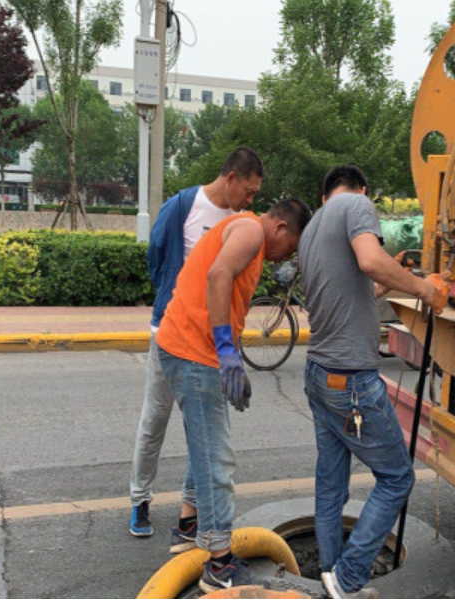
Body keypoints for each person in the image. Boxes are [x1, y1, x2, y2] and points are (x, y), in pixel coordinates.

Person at [298, 165, 449, 599]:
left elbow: (353, 288)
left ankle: (330, 573)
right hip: (350, 380)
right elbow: (369, 261)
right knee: (397, 477)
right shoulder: (357, 204)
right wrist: (423, 288)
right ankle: (348, 578)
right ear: (362, 189)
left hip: (319, 372)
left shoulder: (313, 228)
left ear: (324, 194)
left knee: (331, 485)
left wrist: (390, 277)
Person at [156, 197, 311, 592]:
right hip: (194, 351)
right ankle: (219, 563)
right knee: (216, 457)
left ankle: (189, 524)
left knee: (203, 440)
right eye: (291, 246)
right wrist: (226, 350)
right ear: (281, 228)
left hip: (187, 347)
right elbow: (218, 275)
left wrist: (231, 356)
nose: (285, 256)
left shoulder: (247, 233)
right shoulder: (251, 231)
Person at [128, 147, 264, 543]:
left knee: (202, 427)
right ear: (231, 178)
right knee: (155, 418)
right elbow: (157, 256)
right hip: (172, 331)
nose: (250, 200)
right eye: (249, 191)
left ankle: (190, 510)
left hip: (208, 344)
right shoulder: (184, 205)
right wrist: (176, 301)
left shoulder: (241, 220)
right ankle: (139, 498)